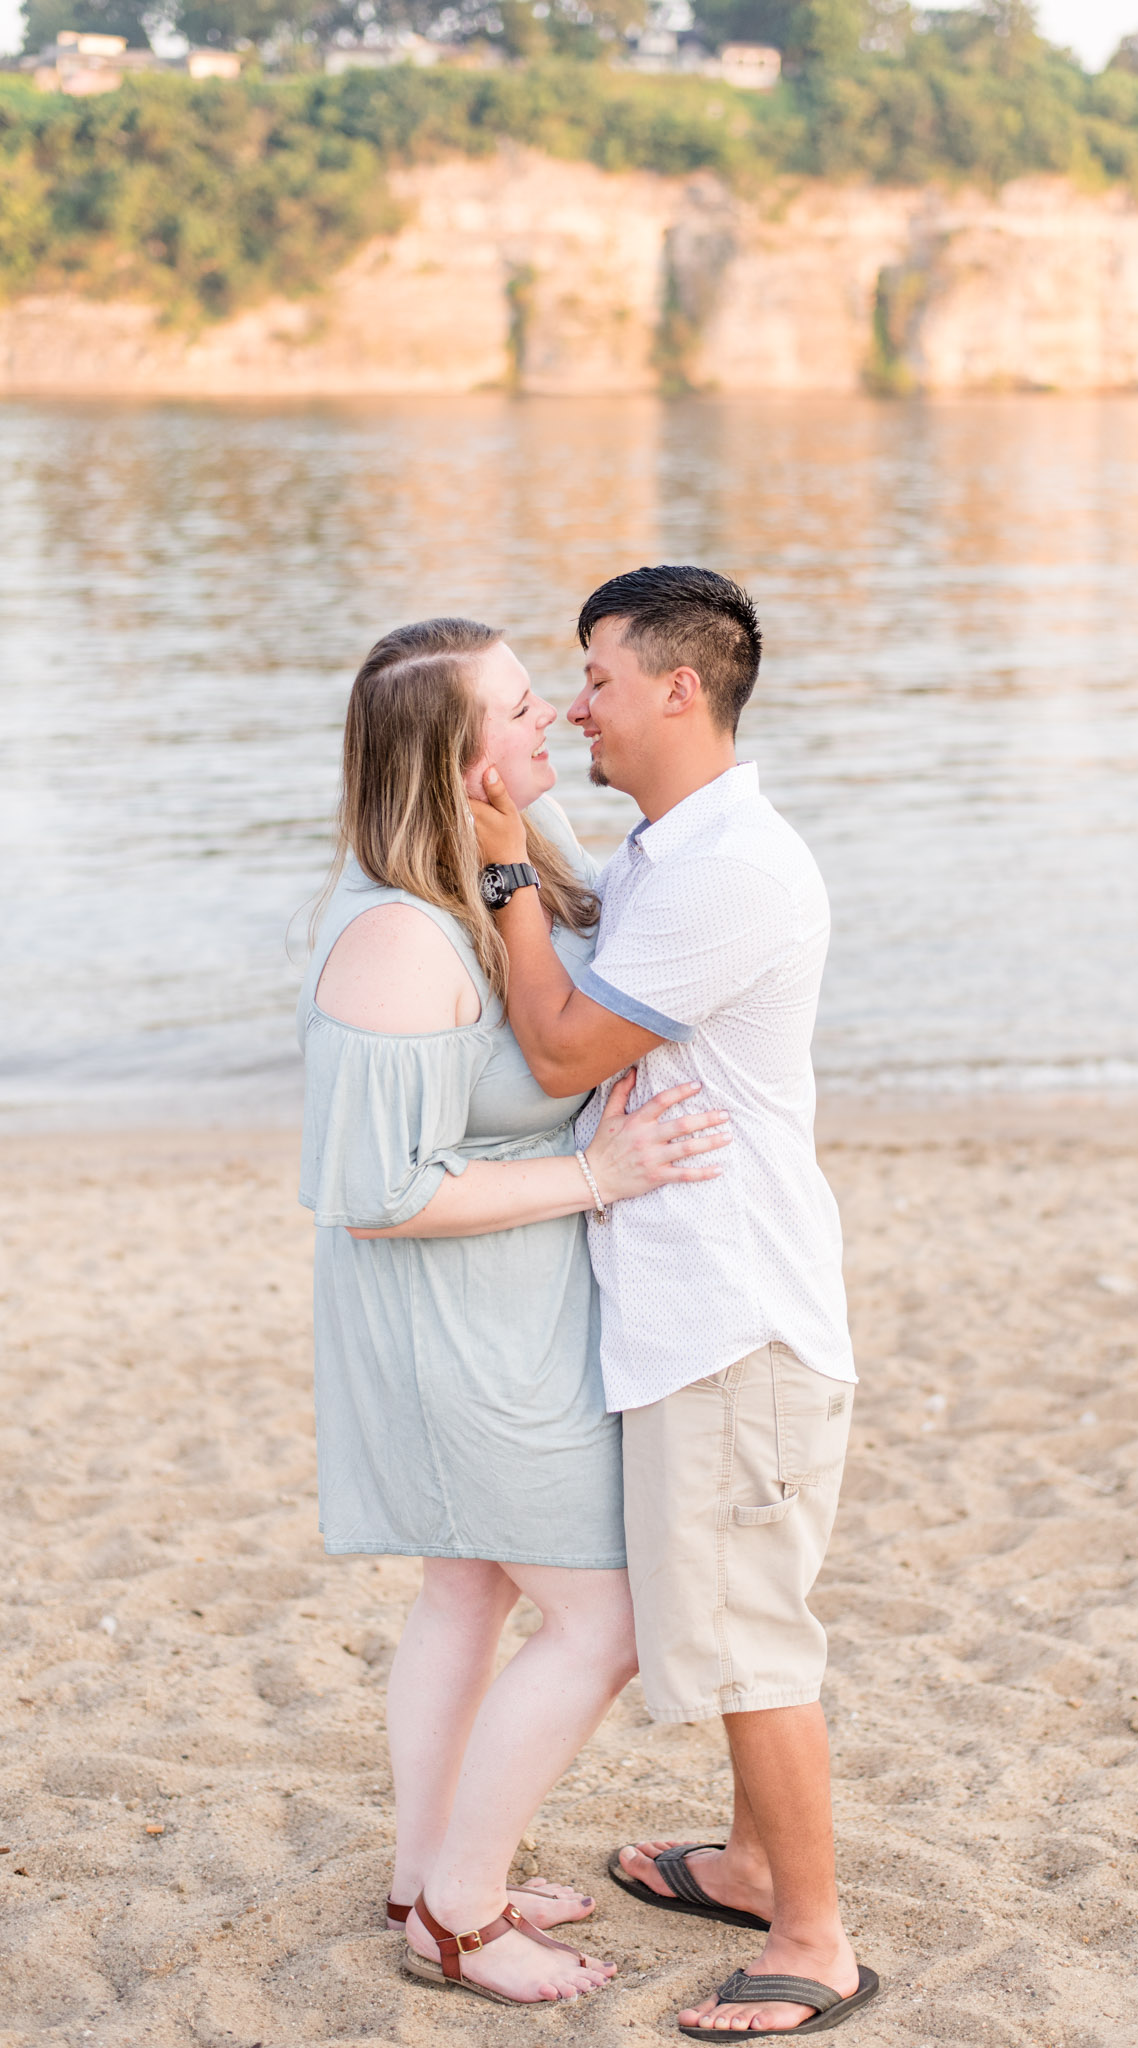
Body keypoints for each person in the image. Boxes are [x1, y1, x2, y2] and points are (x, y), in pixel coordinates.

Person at [296, 616, 732, 2009]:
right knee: (602, 1621)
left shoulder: (497, 882)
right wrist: (598, 1174)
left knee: (468, 1589)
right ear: (454, 757)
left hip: (507, 1314)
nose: (551, 721)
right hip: (451, 1333)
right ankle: (462, 1920)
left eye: (551, 698)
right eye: (521, 707)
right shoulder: (396, 942)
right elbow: (376, 1193)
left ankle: (430, 1871)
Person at [470, 566, 879, 2037]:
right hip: (697, 1311)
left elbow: (571, 1050)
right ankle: (755, 1859)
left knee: (752, 1636)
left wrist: (508, 872)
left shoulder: (731, 872)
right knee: (719, 1616)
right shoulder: (668, 850)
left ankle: (814, 1938)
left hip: (735, 1323)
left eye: (592, 676)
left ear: (677, 689)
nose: (577, 705)